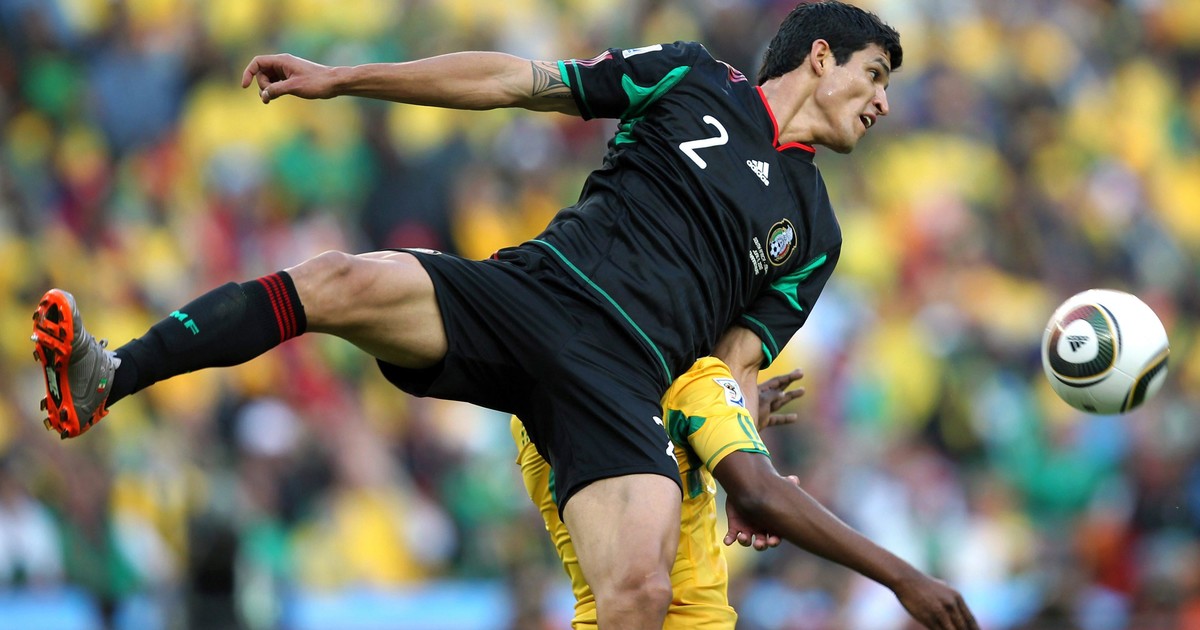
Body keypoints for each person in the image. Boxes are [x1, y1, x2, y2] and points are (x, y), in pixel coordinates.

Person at [31, 2, 978, 627]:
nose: (883, 102)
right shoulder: (693, 78)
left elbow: (732, 362)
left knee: (639, 595)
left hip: (624, 381)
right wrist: (345, 77)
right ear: (821, 55)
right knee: (337, 279)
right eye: (875, 75)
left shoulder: (816, 232)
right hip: (530, 292)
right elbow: (517, 82)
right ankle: (110, 375)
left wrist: (743, 448)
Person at [513, 362, 806, 629]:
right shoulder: (687, 381)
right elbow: (760, 493)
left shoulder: (526, 413)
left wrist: (738, 418)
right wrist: (735, 421)